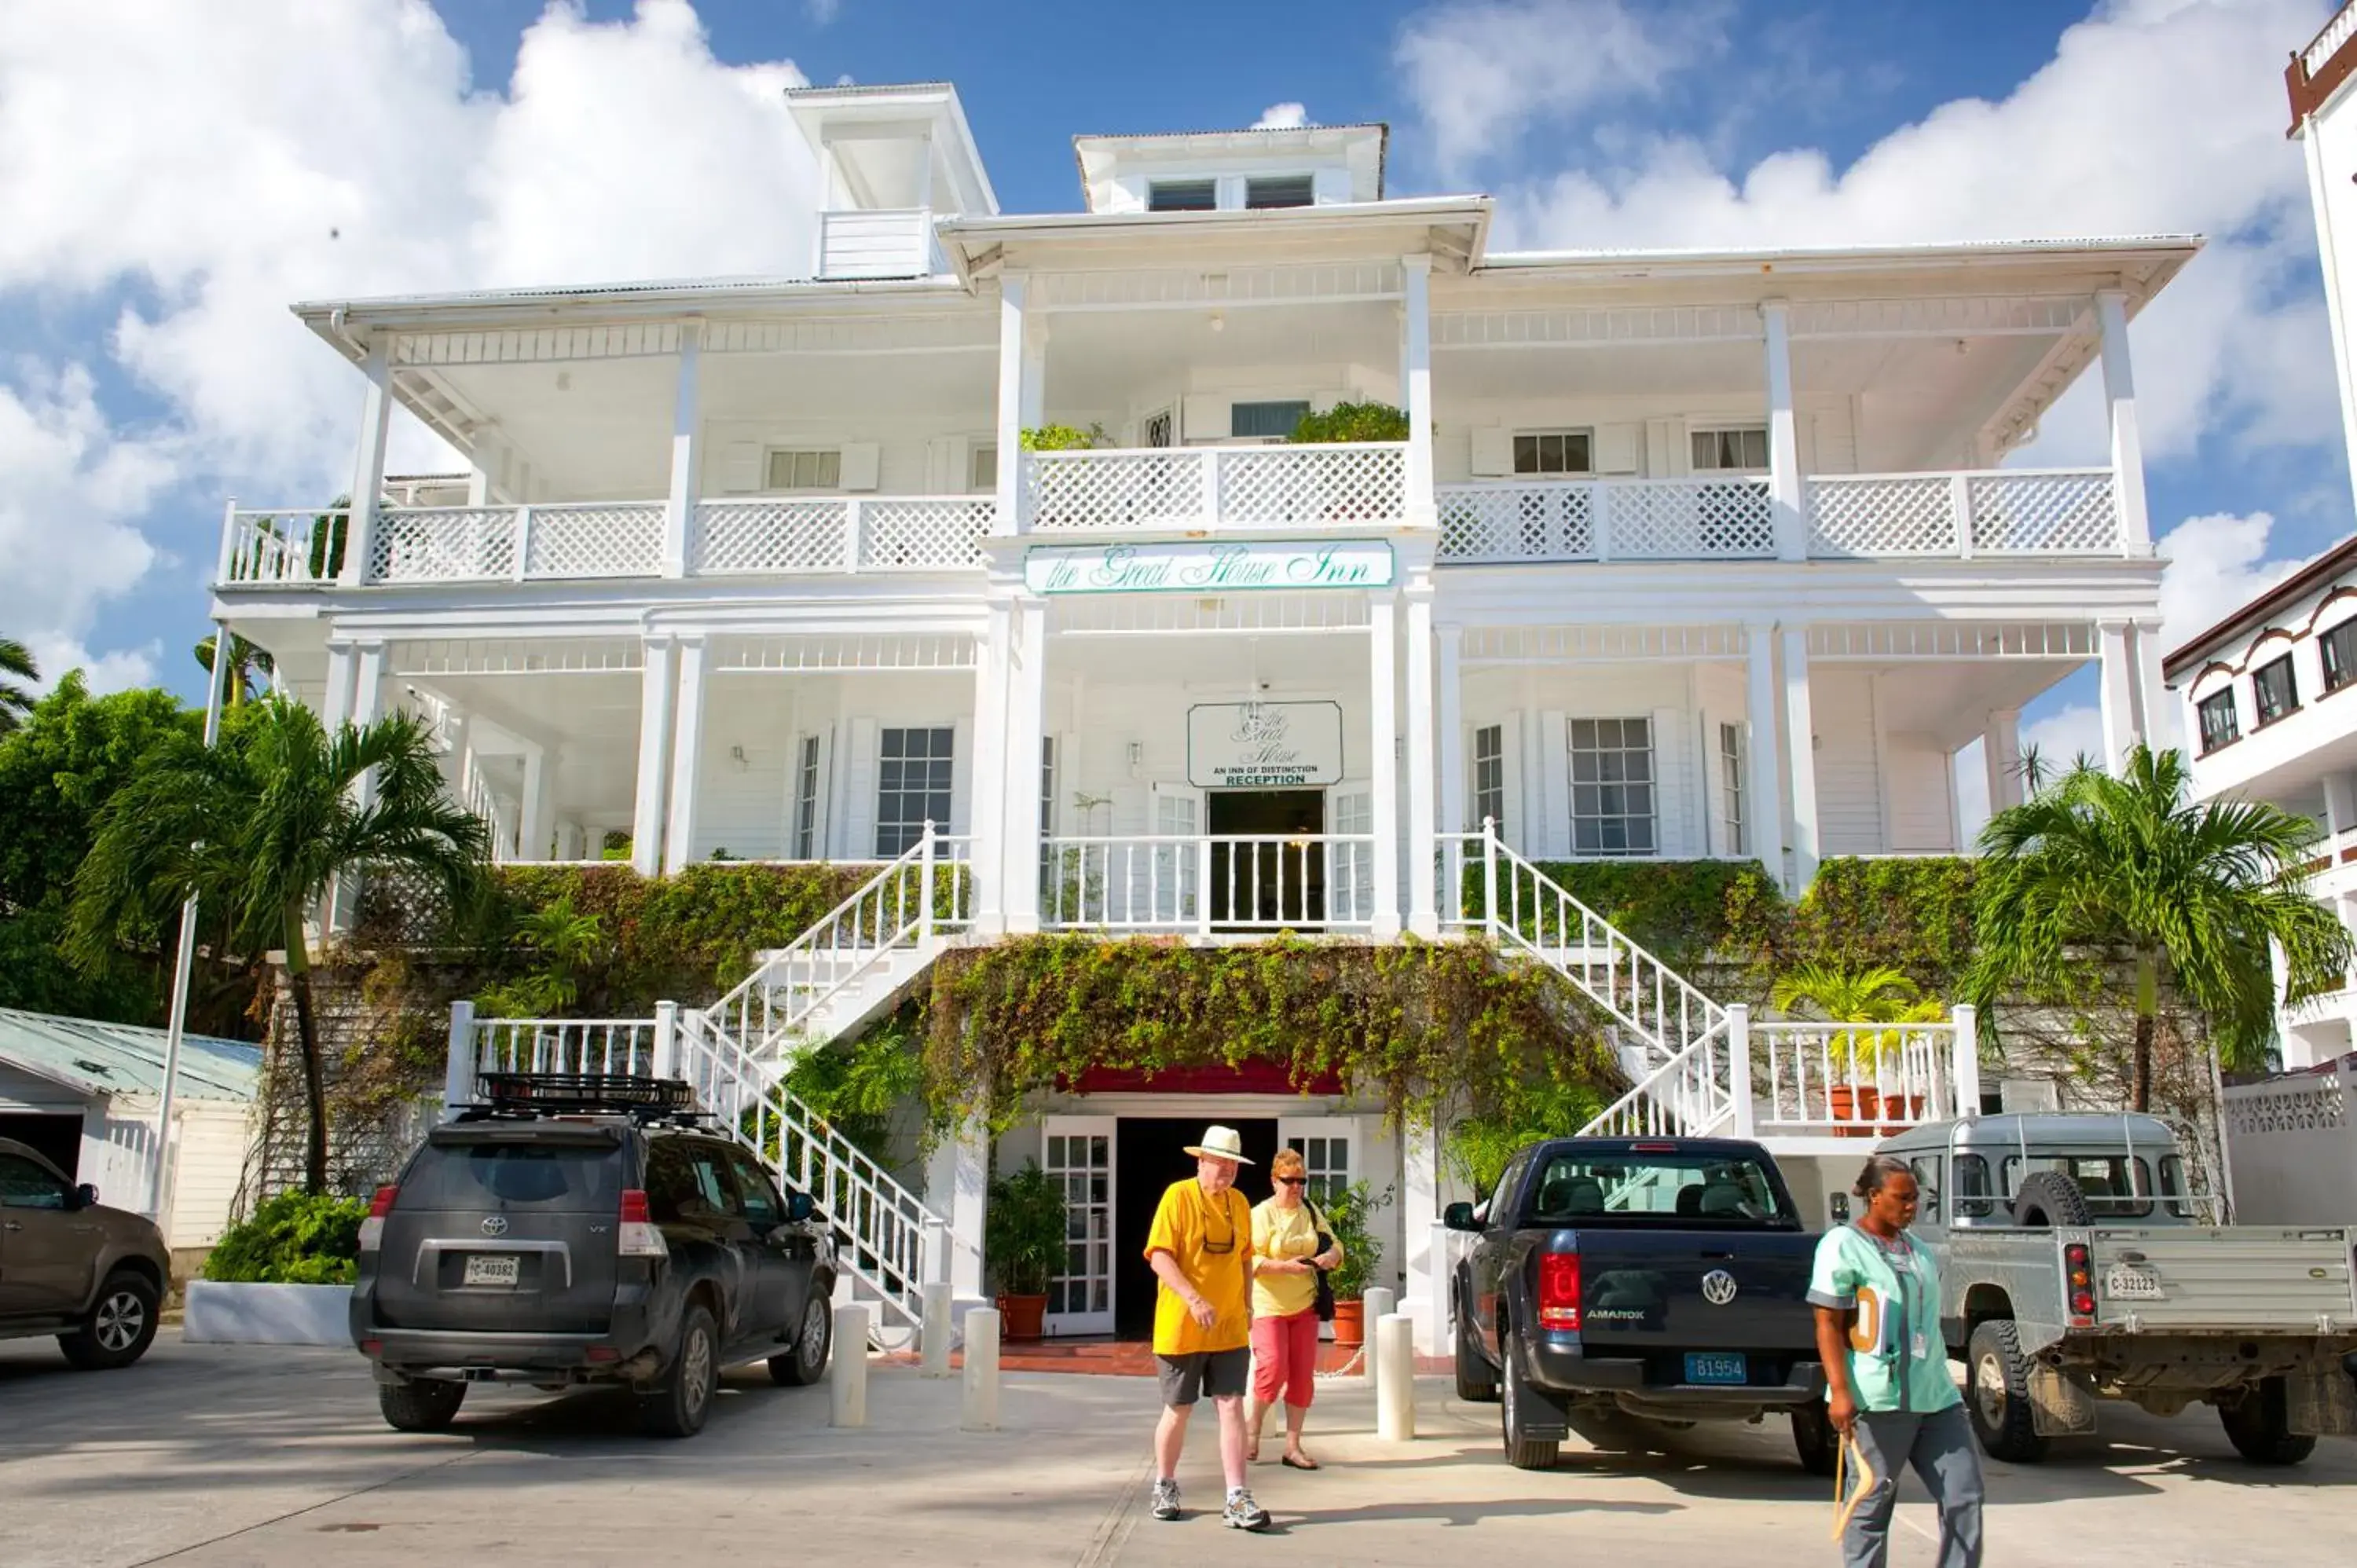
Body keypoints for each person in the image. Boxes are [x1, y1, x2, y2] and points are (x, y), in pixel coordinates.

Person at [1809, 1154, 1985, 1568]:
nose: (1911, 1206)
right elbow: (1828, 1324)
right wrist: (1839, 1392)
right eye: (1901, 1198)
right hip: (1877, 1401)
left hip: (1936, 1397)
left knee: (1965, 1497)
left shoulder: (1919, 1251)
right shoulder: (1842, 1245)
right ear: (1873, 1196)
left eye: (1915, 1198)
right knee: (1872, 1504)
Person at [1142, 1125, 1270, 1530]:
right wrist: (1193, 1299)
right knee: (1179, 1409)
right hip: (1182, 1326)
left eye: (1233, 1165)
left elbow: (1246, 1258)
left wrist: (1248, 1303)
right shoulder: (1177, 1197)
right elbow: (1159, 1256)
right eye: (1220, 1163)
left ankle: (1237, 1497)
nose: (1228, 1172)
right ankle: (1165, 1484)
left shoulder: (1238, 1201)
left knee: (1231, 1404)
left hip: (1229, 1326)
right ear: (1201, 1161)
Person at [1247, 1148, 1343, 1470]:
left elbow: (1334, 1243)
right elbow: (1250, 1259)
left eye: (1301, 1181)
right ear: (1274, 1180)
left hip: (1305, 1303)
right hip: (1269, 1304)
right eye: (1289, 1181)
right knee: (1272, 1369)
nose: (1296, 1187)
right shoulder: (1261, 1214)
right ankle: (1253, 1430)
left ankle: (1293, 1446)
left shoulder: (1310, 1211)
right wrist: (1284, 1267)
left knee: (1302, 1377)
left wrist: (1331, 1257)